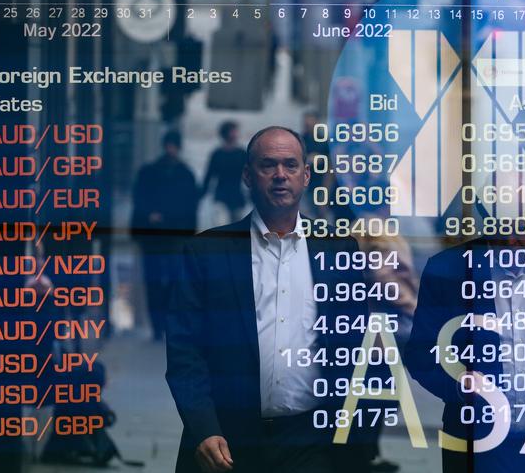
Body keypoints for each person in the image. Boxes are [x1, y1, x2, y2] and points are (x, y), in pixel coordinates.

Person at [166, 127, 373, 473]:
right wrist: (204, 428)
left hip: (310, 441)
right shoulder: (205, 252)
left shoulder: (338, 250)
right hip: (226, 443)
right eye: (268, 165)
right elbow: (185, 351)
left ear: (306, 175)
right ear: (248, 175)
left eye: (291, 165)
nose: (280, 175)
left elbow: (354, 345)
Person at [405, 234, 525, 473]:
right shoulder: (448, 268)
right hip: (482, 445)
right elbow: (422, 355)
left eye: (519, 228)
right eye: (502, 230)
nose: (511, 241)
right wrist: (459, 384)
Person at [131, 130, 199, 341]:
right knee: (157, 280)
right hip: (160, 236)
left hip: (169, 236)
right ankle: (159, 324)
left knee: (168, 280)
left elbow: (190, 205)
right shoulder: (166, 173)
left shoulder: (179, 174)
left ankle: (163, 324)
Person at [201, 121, 248, 223]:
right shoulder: (217, 154)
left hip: (237, 197)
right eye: (234, 131)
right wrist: (200, 195)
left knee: (238, 231)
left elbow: (250, 175)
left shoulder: (242, 154)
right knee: (221, 227)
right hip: (221, 196)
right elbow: (209, 176)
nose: (236, 134)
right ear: (226, 133)